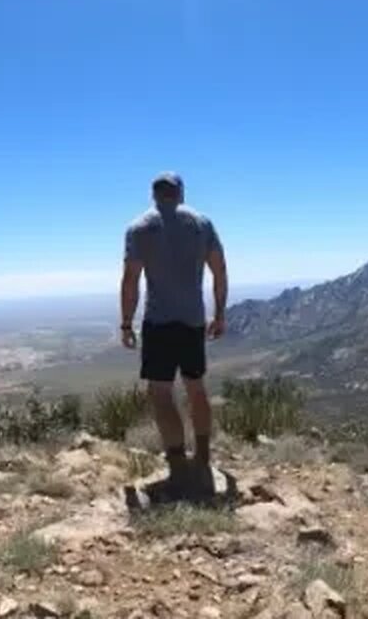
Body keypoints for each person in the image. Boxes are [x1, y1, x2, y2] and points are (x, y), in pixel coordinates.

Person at [120, 171, 228, 499]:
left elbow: (130, 280)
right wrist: (219, 313)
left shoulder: (139, 228)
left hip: (159, 322)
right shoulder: (202, 224)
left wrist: (126, 323)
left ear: (154, 195)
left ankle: (178, 463)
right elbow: (219, 270)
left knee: (162, 393)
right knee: (196, 387)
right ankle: (204, 458)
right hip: (193, 320)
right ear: (180, 193)